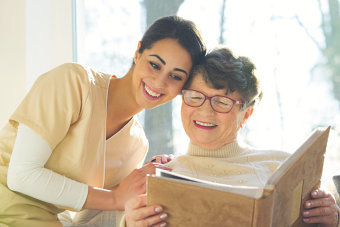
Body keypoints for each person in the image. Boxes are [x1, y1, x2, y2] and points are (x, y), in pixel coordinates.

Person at [0, 16, 206, 227]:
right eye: (154, 65)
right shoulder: (74, 83)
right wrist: (115, 197)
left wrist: (145, 187)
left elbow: (90, 218)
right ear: (137, 52)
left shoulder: (137, 145)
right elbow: (21, 175)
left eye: (176, 76)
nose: (160, 82)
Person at [123, 47, 340, 227]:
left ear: (246, 114)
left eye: (222, 102)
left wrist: (333, 218)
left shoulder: (283, 166)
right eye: (195, 97)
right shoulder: (160, 176)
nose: (205, 112)